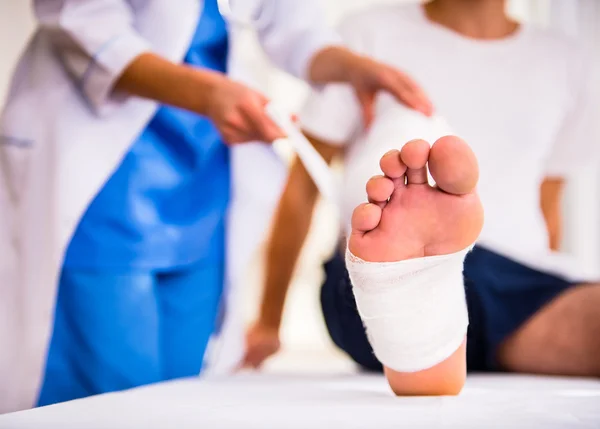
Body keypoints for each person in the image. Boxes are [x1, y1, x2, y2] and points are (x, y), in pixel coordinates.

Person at [0, 0, 434, 411]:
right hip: (104, 178)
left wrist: (351, 67)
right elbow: (82, 18)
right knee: (111, 399)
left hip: (205, 180)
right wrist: (206, 94)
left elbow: (292, 26)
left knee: (180, 389)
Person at [245, 0, 600, 383]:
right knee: (451, 277)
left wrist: (540, 277)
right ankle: (413, 282)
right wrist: (269, 319)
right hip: (366, 273)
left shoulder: (569, 62)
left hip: (522, 274)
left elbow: (547, 203)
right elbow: (303, 189)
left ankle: (423, 325)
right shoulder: (365, 36)